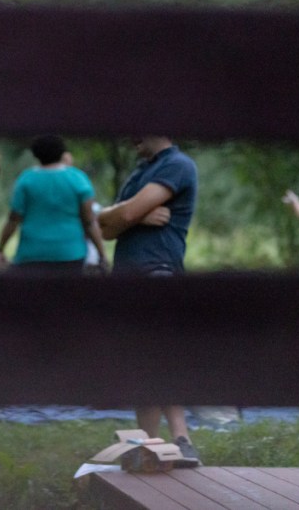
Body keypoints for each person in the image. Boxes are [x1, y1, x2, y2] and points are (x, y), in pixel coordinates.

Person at [97, 136, 200, 464]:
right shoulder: (140, 171)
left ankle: (181, 440)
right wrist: (134, 216)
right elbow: (105, 227)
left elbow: (122, 214)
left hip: (158, 271)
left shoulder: (177, 165)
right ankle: (151, 446)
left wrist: (126, 215)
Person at [0, 135, 107, 273]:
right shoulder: (78, 179)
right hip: (70, 253)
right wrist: (102, 254)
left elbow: (13, 220)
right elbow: (89, 222)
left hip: (32, 253)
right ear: (62, 152)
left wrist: (0, 249)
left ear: (36, 154)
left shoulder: (26, 179)